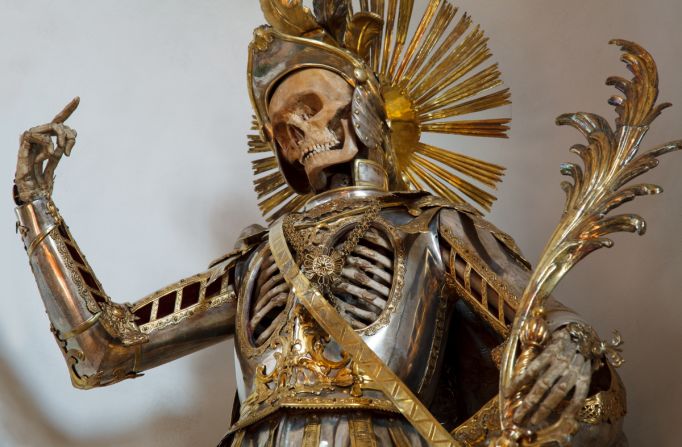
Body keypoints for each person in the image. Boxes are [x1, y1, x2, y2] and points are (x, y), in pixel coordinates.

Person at [13, 1, 630, 445]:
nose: (292, 131)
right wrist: (35, 202)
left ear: (363, 111)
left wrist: (571, 346)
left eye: (308, 109)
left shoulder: (431, 228)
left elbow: (544, 323)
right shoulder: (258, 258)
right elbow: (105, 347)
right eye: (279, 125)